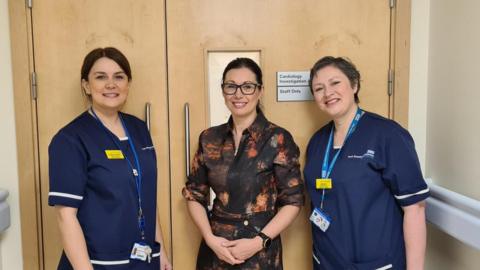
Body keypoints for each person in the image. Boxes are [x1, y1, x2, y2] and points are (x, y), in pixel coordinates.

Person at [48, 47, 172, 270]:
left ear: (128, 84)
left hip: (143, 260)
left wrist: (160, 249)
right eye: (100, 77)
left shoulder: (139, 128)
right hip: (97, 263)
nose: (111, 84)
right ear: (86, 85)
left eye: (119, 77)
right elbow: (65, 217)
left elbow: (146, 196)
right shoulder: (70, 140)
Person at [304, 56, 429, 270]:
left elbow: (415, 209)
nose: (328, 93)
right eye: (318, 88)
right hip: (326, 261)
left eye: (335, 83)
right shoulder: (317, 141)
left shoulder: (388, 135)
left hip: (375, 263)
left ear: (354, 84)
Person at [182, 58, 304, 269]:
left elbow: (293, 201)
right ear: (223, 91)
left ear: (260, 91)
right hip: (217, 248)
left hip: (259, 249)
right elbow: (194, 194)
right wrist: (210, 239)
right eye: (231, 86)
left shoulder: (278, 139)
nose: (238, 94)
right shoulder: (209, 138)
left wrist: (258, 242)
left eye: (247, 87)